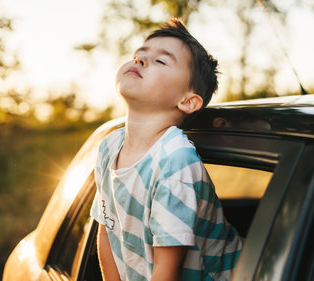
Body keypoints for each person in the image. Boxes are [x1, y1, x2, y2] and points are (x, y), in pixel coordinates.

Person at [90, 18, 243, 281]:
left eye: (161, 61)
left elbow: (167, 270)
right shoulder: (108, 147)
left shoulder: (175, 162)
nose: (139, 61)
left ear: (188, 101)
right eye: (139, 55)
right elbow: (106, 230)